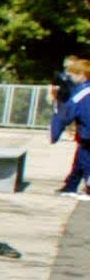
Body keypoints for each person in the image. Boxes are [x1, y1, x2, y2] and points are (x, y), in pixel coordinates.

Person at [49, 56, 90, 198]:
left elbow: (67, 113)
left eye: (72, 74)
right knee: (81, 159)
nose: (70, 77)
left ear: (82, 75)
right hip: (86, 132)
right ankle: (71, 186)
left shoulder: (83, 92)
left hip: (88, 133)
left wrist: (57, 101)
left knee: (85, 160)